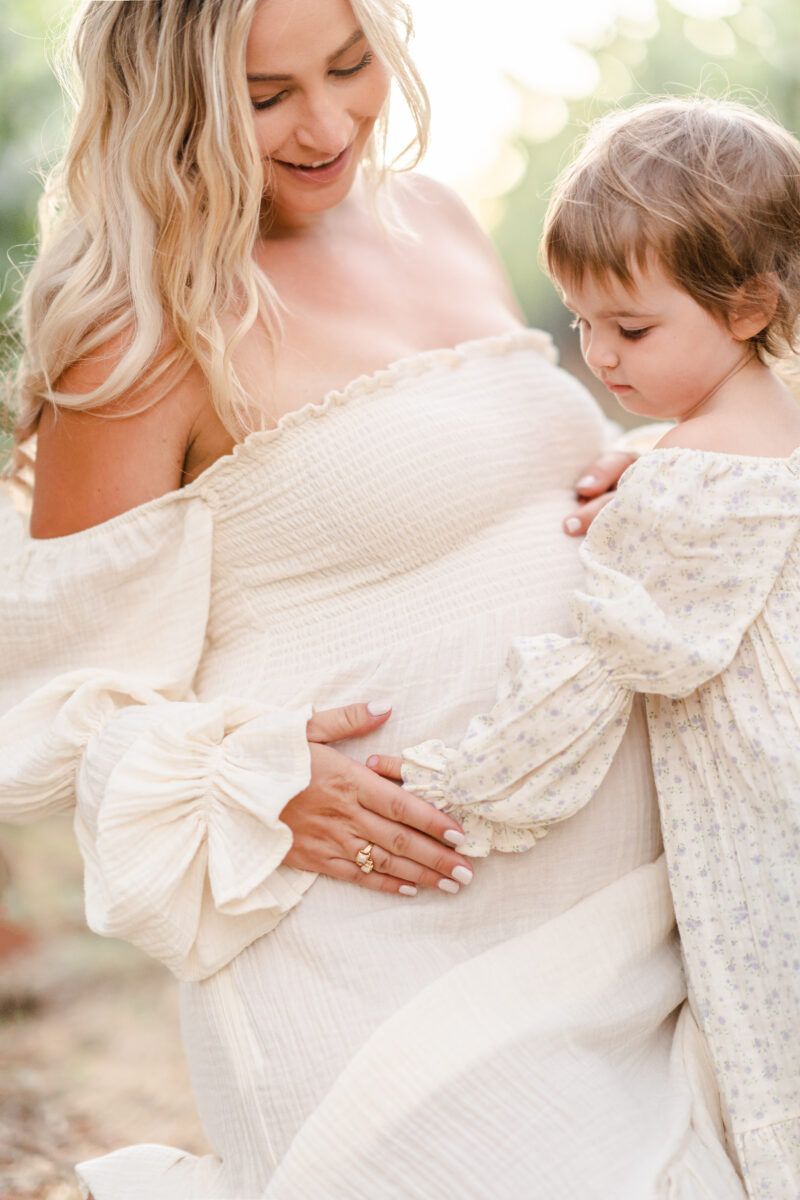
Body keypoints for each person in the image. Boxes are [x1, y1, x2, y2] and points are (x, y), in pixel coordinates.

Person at [0, 2, 744, 1196]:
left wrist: (649, 467)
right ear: (170, 100)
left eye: (351, 67)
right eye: (264, 95)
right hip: (368, 947)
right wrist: (248, 781)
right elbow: (49, 701)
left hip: (622, 924)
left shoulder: (435, 218)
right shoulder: (137, 333)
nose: (327, 121)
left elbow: (517, 485)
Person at [374, 98, 800, 1199]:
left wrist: (446, 790)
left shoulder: (685, 478)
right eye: (580, 324)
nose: (598, 356)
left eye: (631, 328)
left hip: (764, 847)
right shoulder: (774, 424)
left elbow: (595, 678)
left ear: (747, 302)